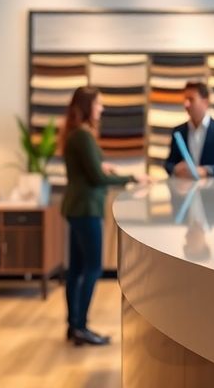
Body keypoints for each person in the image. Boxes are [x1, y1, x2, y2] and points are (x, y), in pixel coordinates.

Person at [60, 86, 147, 347]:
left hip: (76, 207)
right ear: (88, 106)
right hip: (86, 209)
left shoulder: (75, 134)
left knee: (76, 270)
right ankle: (82, 327)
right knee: (93, 268)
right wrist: (133, 177)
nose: (102, 109)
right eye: (99, 104)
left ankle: (74, 325)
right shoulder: (83, 136)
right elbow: (96, 178)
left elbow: (90, 170)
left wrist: (102, 166)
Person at [164, 81, 214, 179]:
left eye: (191, 99)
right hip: (185, 190)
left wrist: (207, 170)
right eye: (185, 99)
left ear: (205, 102)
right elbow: (169, 163)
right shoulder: (178, 131)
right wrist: (176, 169)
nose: (186, 104)